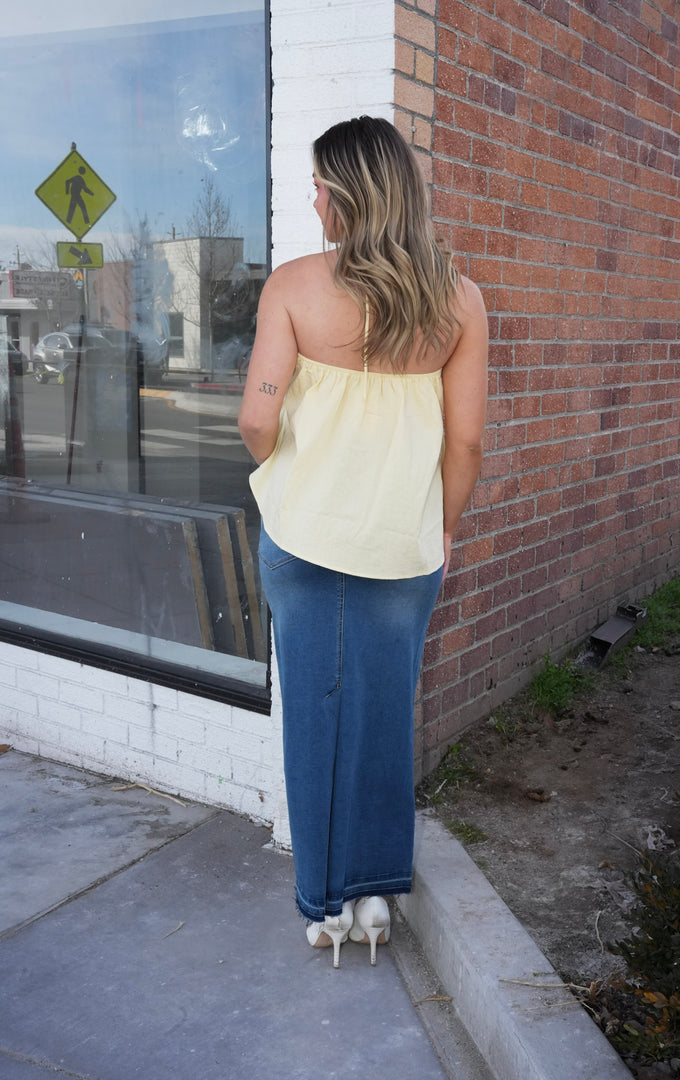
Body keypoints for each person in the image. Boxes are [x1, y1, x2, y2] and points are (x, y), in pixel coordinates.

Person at [238, 116, 488, 968]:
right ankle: (377, 896)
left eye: (317, 182)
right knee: (384, 712)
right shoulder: (458, 298)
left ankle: (326, 909)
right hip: (400, 549)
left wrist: (288, 471)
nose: (311, 196)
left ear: (344, 191)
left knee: (314, 714)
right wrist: (443, 524)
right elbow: (467, 445)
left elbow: (257, 418)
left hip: (303, 543)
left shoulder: (295, 287)